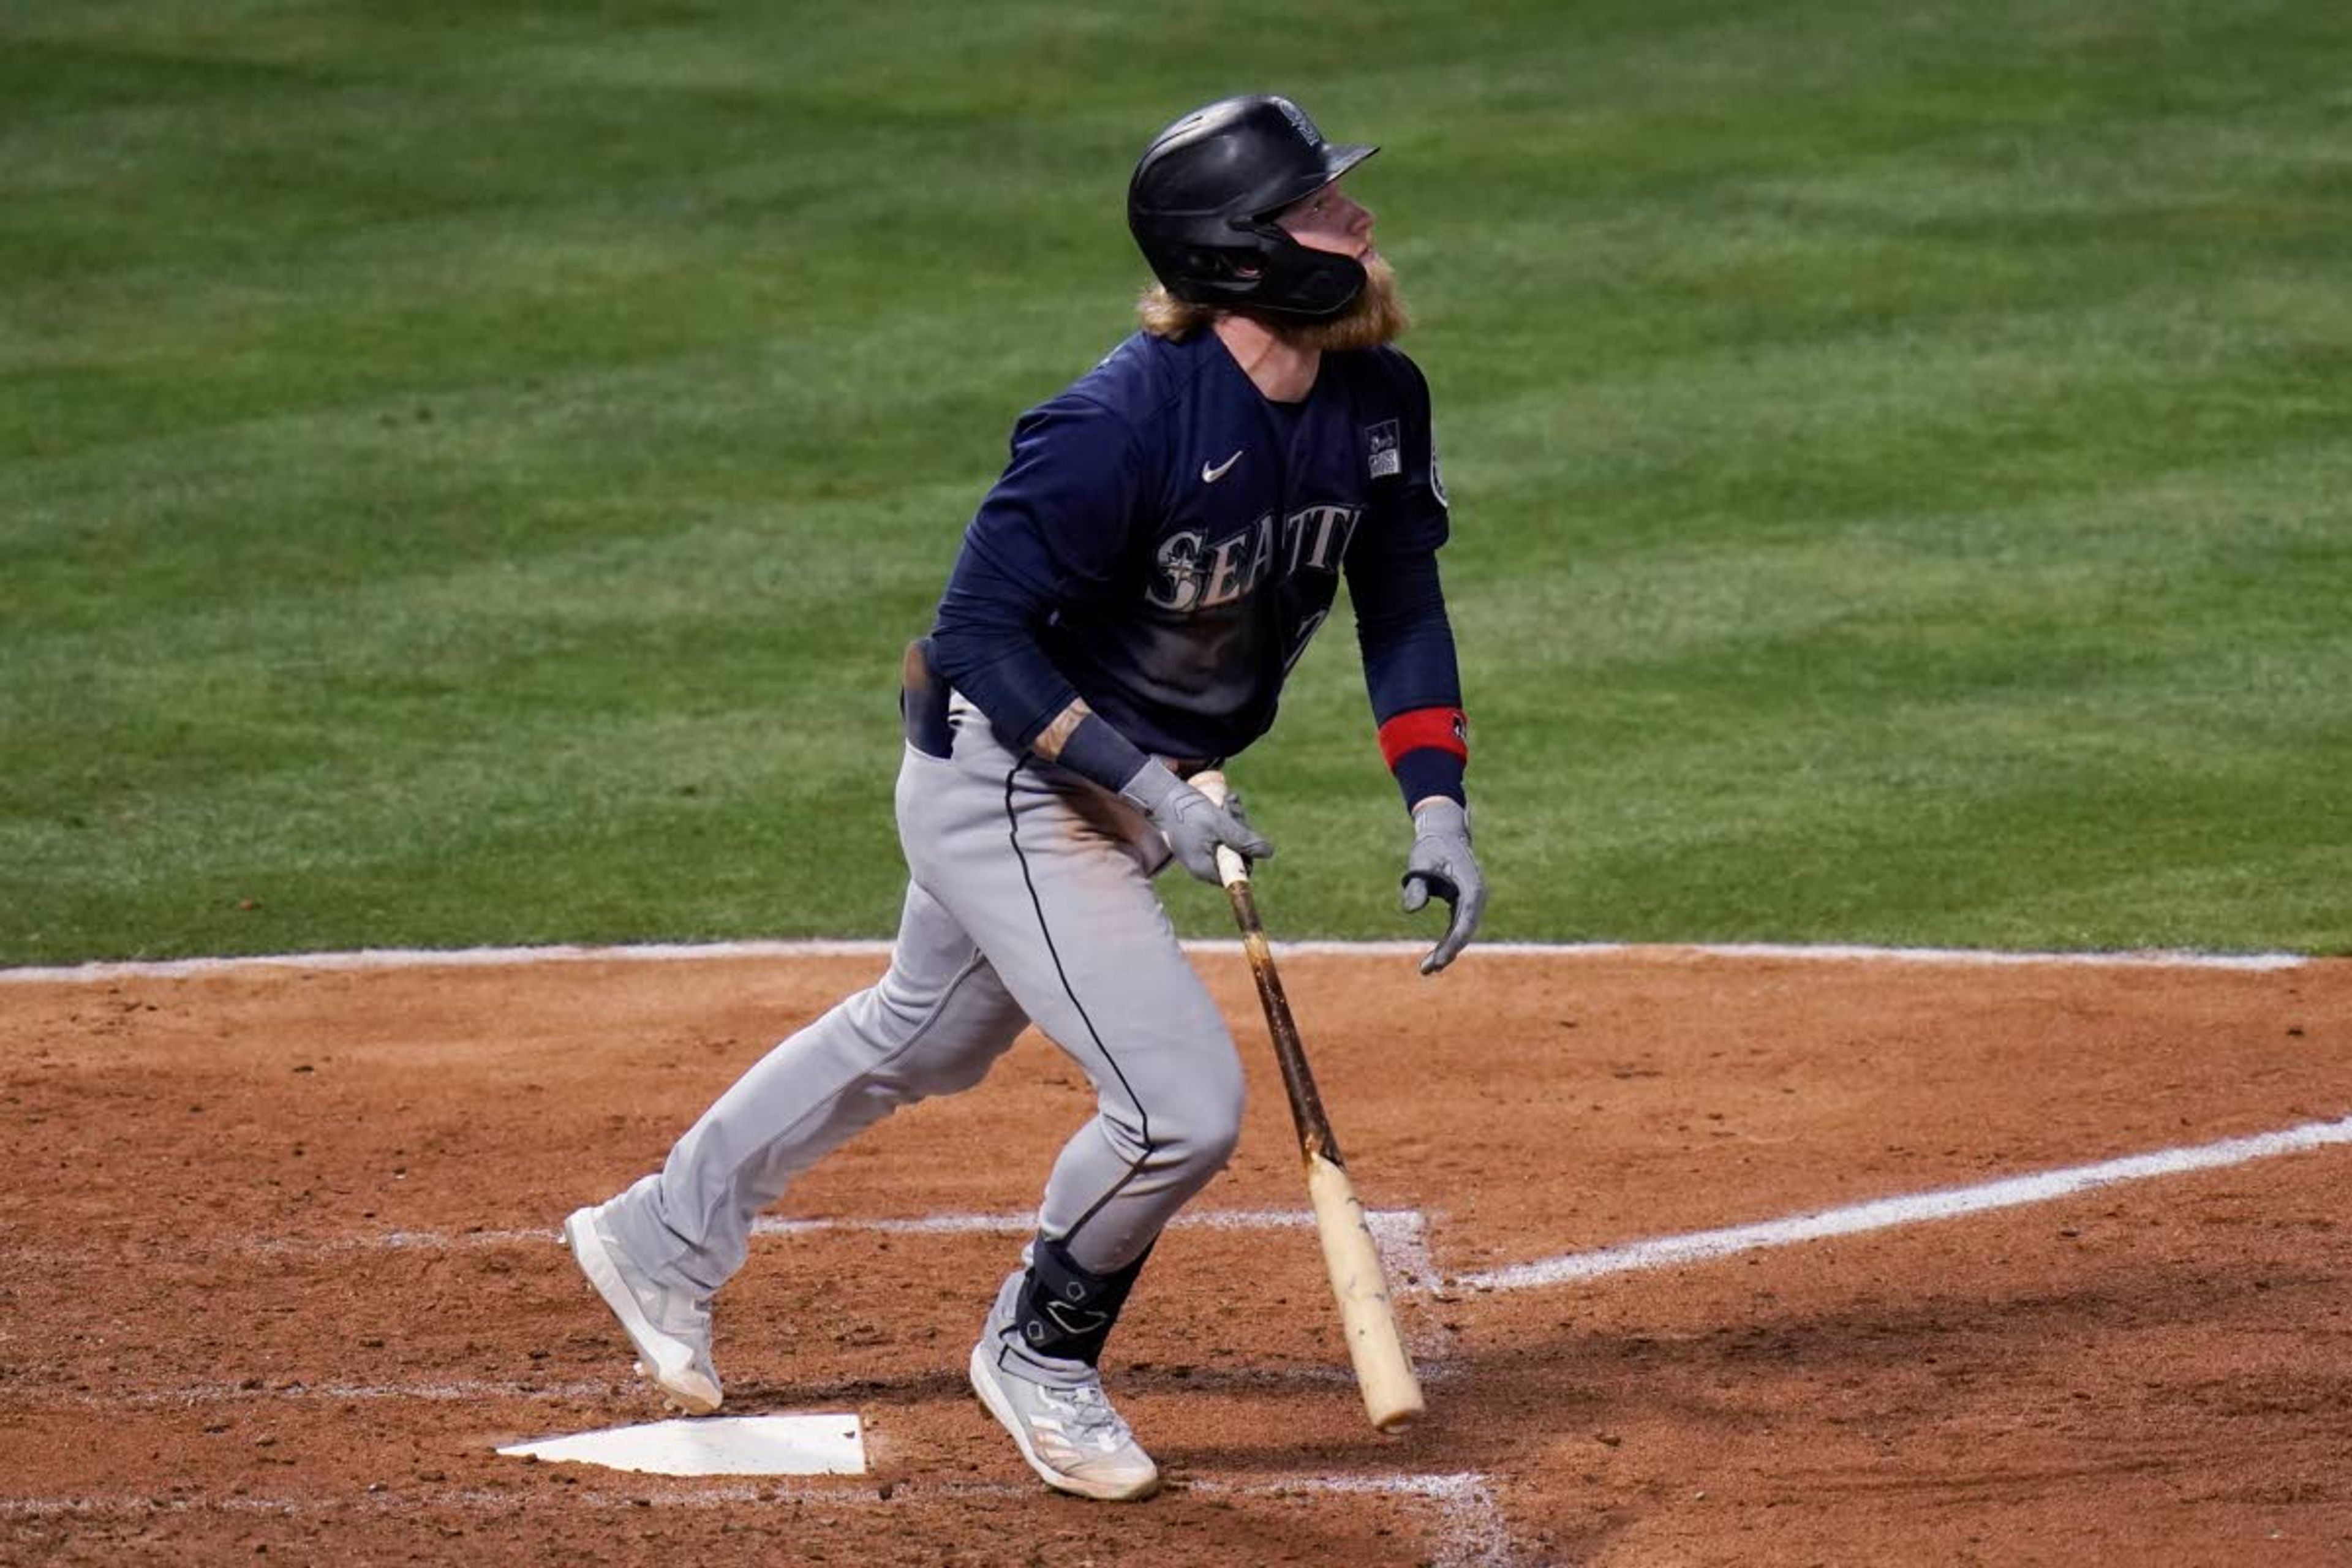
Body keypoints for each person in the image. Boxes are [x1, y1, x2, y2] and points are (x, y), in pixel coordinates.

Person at [560, 92, 1486, 1503]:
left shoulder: (1374, 403)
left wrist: (1438, 798)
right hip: (1014, 773)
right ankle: (1041, 1348)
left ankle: (658, 1233)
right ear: (1247, 258)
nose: (1359, 224)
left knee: (920, 1034)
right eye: (1322, 208)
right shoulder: (1113, 424)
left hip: (1134, 777)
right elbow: (982, 636)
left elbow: (1400, 594)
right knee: (1179, 1109)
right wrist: (1150, 793)